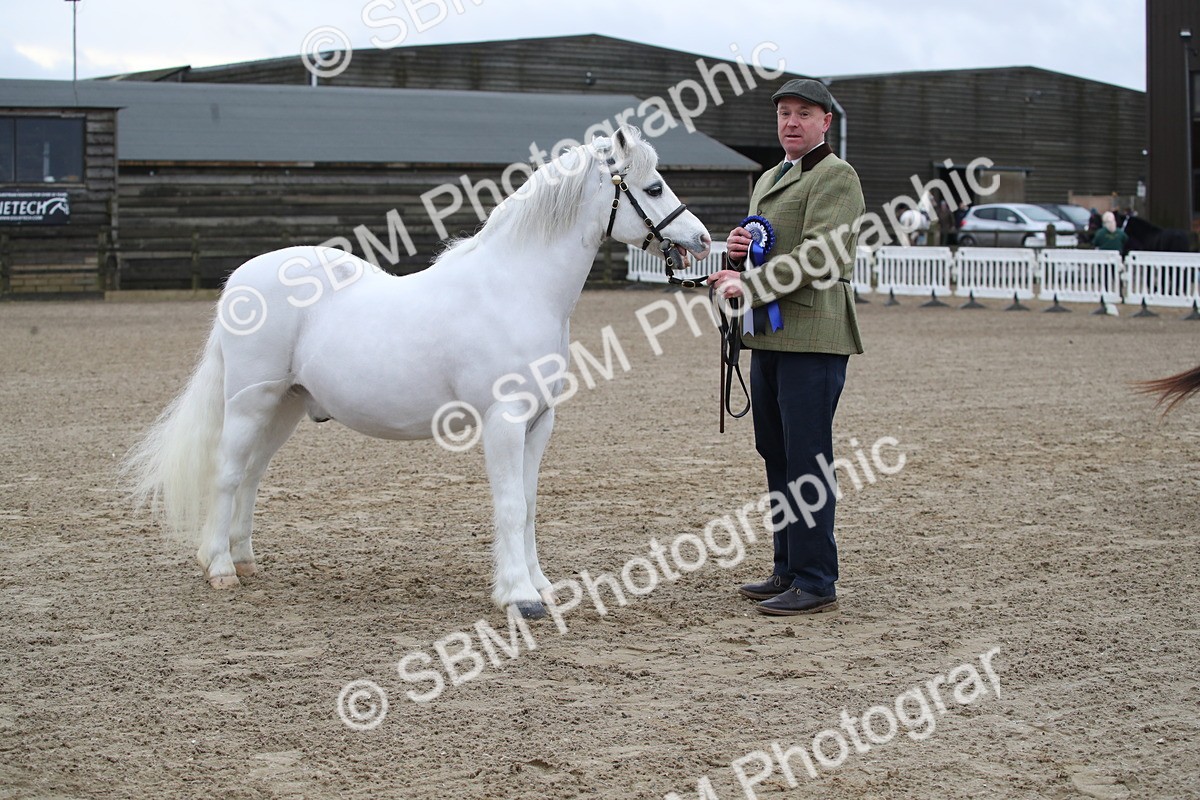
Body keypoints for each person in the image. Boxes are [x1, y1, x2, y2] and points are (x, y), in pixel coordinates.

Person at [707, 78, 864, 616]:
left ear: (826, 122)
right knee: (776, 453)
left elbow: (821, 257)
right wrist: (739, 254)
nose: (791, 122)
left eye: (803, 113)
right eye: (784, 114)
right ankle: (788, 568)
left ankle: (817, 578)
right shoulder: (773, 177)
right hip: (771, 333)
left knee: (808, 459)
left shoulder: (836, 176)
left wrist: (748, 285)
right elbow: (768, 249)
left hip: (814, 334)